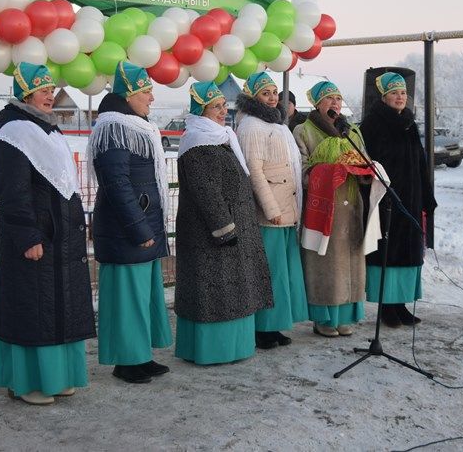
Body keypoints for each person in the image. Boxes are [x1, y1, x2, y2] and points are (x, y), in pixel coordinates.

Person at [0, 62, 95, 405]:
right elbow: (12, 192)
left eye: (51, 89)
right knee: (33, 309)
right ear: (25, 93)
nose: (50, 95)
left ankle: (58, 376)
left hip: (61, 239)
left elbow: (67, 188)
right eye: (42, 89)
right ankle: (27, 382)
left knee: (58, 306)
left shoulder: (50, 132)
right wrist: (28, 236)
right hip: (36, 240)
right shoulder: (13, 134)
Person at [174, 81, 273, 365]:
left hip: (234, 224)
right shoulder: (196, 142)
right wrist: (224, 228)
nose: (223, 112)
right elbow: (206, 191)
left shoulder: (220, 136)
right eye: (216, 107)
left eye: (223, 106)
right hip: (212, 233)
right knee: (215, 292)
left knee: (234, 290)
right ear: (200, 110)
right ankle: (213, 350)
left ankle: (235, 347)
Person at [87, 61, 173, 384]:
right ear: (129, 94)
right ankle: (126, 361)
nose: (152, 97)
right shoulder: (114, 129)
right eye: (146, 90)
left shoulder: (135, 126)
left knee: (143, 296)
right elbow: (117, 183)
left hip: (143, 224)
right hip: (127, 231)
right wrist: (138, 227)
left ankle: (140, 356)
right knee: (127, 299)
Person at [236, 73, 309, 349]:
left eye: (274, 92)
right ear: (254, 97)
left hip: (285, 208)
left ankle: (276, 324)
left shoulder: (275, 123)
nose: (272, 97)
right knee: (269, 271)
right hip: (271, 212)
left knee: (283, 271)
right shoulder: (252, 126)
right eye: (265, 93)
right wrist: (270, 208)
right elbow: (254, 170)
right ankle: (263, 327)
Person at [359, 72, 437, 327]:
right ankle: (387, 307)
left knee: (408, 252)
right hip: (387, 199)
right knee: (389, 253)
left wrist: (426, 196)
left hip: (410, 199)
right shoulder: (372, 124)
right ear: (384, 97)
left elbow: (420, 162)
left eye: (403, 93)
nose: (400, 97)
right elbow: (370, 162)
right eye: (394, 93)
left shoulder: (409, 123)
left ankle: (401, 304)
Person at [293, 81, 368, 337]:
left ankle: (345, 315)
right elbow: (301, 172)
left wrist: (365, 170)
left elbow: (364, 160)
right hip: (324, 209)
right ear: (317, 104)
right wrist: (331, 171)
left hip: (351, 206)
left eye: (338, 98)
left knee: (351, 262)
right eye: (328, 99)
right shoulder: (303, 131)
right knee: (325, 264)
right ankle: (324, 318)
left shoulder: (352, 132)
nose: (335, 103)